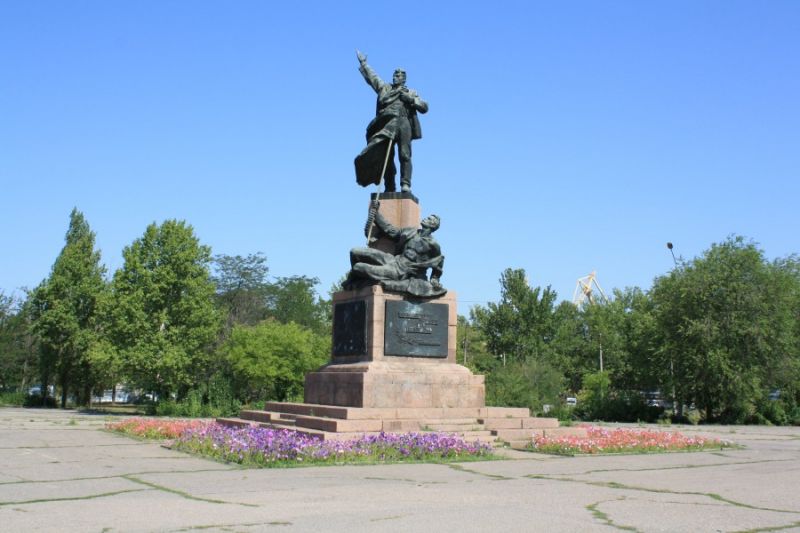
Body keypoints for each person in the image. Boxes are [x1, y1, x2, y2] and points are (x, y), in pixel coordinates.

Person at [354, 51, 428, 193]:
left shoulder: (410, 92)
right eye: (395, 74)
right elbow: (373, 78)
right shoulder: (385, 89)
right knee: (385, 156)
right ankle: (389, 186)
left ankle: (405, 183)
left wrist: (411, 100)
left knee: (404, 155)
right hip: (387, 124)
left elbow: (424, 107)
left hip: (403, 123)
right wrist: (364, 64)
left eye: (399, 75)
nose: (396, 77)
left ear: (404, 79)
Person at [344, 202, 445, 297]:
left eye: (429, 219)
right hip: (392, 259)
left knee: (358, 267)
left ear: (433, 225)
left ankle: (357, 281)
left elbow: (439, 262)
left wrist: (435, 279)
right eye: (427, 217)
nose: (425, 218)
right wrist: (376, 213)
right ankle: (354, 281)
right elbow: (391, 230)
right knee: (355, 252)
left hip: (400, 270)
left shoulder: (433, 244)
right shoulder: (411, 231)